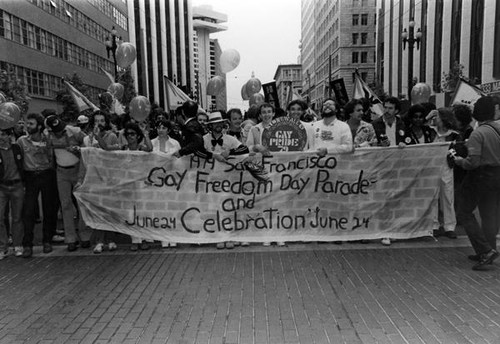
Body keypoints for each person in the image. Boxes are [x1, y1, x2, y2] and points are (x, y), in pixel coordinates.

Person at [452, 96, 500, 270]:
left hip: (480, 176)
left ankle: (484, 250)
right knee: (489, 214)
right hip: (497, 175)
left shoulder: (478, 134)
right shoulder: (497, 128)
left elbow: (473, 163)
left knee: (464, 212)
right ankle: (490, 248)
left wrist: (459, 161)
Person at [203, 112, 250, 249]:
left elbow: (244, 149)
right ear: (210, 126)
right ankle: (219, 236)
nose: (217, 126)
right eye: (214, 124)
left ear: (223, 124)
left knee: (229, 208)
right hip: (211, 181)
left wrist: (230, 152)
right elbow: (197, 152)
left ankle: (229, 235)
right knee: (215, 209)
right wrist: (214, 156)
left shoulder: (230, 139)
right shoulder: (204, 139)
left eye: (219, 123)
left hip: (229, 181)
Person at [45, 115, 90, 252]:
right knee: (65, 205)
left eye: (61, 129)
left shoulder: (75, 131)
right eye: (56, 130)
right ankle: (70, 238)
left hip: (77, 170)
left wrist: (77, 149)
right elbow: (48, 153)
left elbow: (88, 145)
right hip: (61, 172)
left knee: (81, 203)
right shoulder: (48, 135)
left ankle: (85, 235)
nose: (60, 132)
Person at [18, 113, 59, 258]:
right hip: (30, 177)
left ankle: (47, 240)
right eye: (27, 124)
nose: (28, 126)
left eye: (31, 124)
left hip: (46, 175)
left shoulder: (47, 140)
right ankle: (27, 244)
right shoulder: (21, 141)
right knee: (28, 211)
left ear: (39, 126)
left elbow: (51, 157)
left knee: (49, 208)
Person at [371, 97, 406, 246]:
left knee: (397, 198)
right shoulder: (376, 124)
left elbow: (409, 138)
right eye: (385, 107)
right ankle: (384, 231)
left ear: (396, 110)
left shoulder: (403, 123)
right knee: (383, 199)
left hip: (399, 165)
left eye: (390, 108)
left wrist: (405, 142)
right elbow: (371, 143)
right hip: (382, 165)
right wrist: (379, 144)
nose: (386, 110)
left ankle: (395, 229)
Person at [83, 111, 120, 254]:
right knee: (97, 210)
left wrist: (99, 137)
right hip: (95, 178)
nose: (99, 123)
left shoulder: (112, 136)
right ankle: (99, 241)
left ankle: (110, 239)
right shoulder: (88, 139)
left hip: (109, 177)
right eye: (96, 121)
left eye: (102, 121)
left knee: (109, 210)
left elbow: (111, 151)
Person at [427, 108, 460, 239]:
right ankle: (434, 224)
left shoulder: (454, 135)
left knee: (448, 196)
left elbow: (460, 150)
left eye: (438, 117)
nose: (436, 119)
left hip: (447, 167)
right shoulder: (430, 131)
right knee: (433, 196)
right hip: (432, 167)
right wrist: (428, 117)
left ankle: (449, 226)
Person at [122, 122, 153, 251]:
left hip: (141, 184)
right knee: (130, 213)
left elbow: (150, 148)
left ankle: (144, 238)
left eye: (133, 134)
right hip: (128, 185)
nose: (130, 136)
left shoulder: (141, 149)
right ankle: (135, 239)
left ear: (137, 135)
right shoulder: (123, 149)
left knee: (142, 212)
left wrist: (145, 133)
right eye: (128, 134)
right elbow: (106, 148)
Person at [151, 119, 181, 249]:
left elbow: (181, 161)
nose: (161, 130)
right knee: (160, 209)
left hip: (172, 180)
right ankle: (163, 237)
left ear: (168, 129)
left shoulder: (175, 143)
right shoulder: (151, 143)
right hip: (156, 181)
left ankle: (173, 236)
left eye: (163, 127)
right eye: (159, 127)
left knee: (172, 208)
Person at [0, 128, 24, 260]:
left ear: (10, 136)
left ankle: (17, 245)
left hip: (17, 186)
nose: (0, 137)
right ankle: (3, 247)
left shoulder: (17, 148)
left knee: (17, 217)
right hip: (1, 187)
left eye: (3, 134)